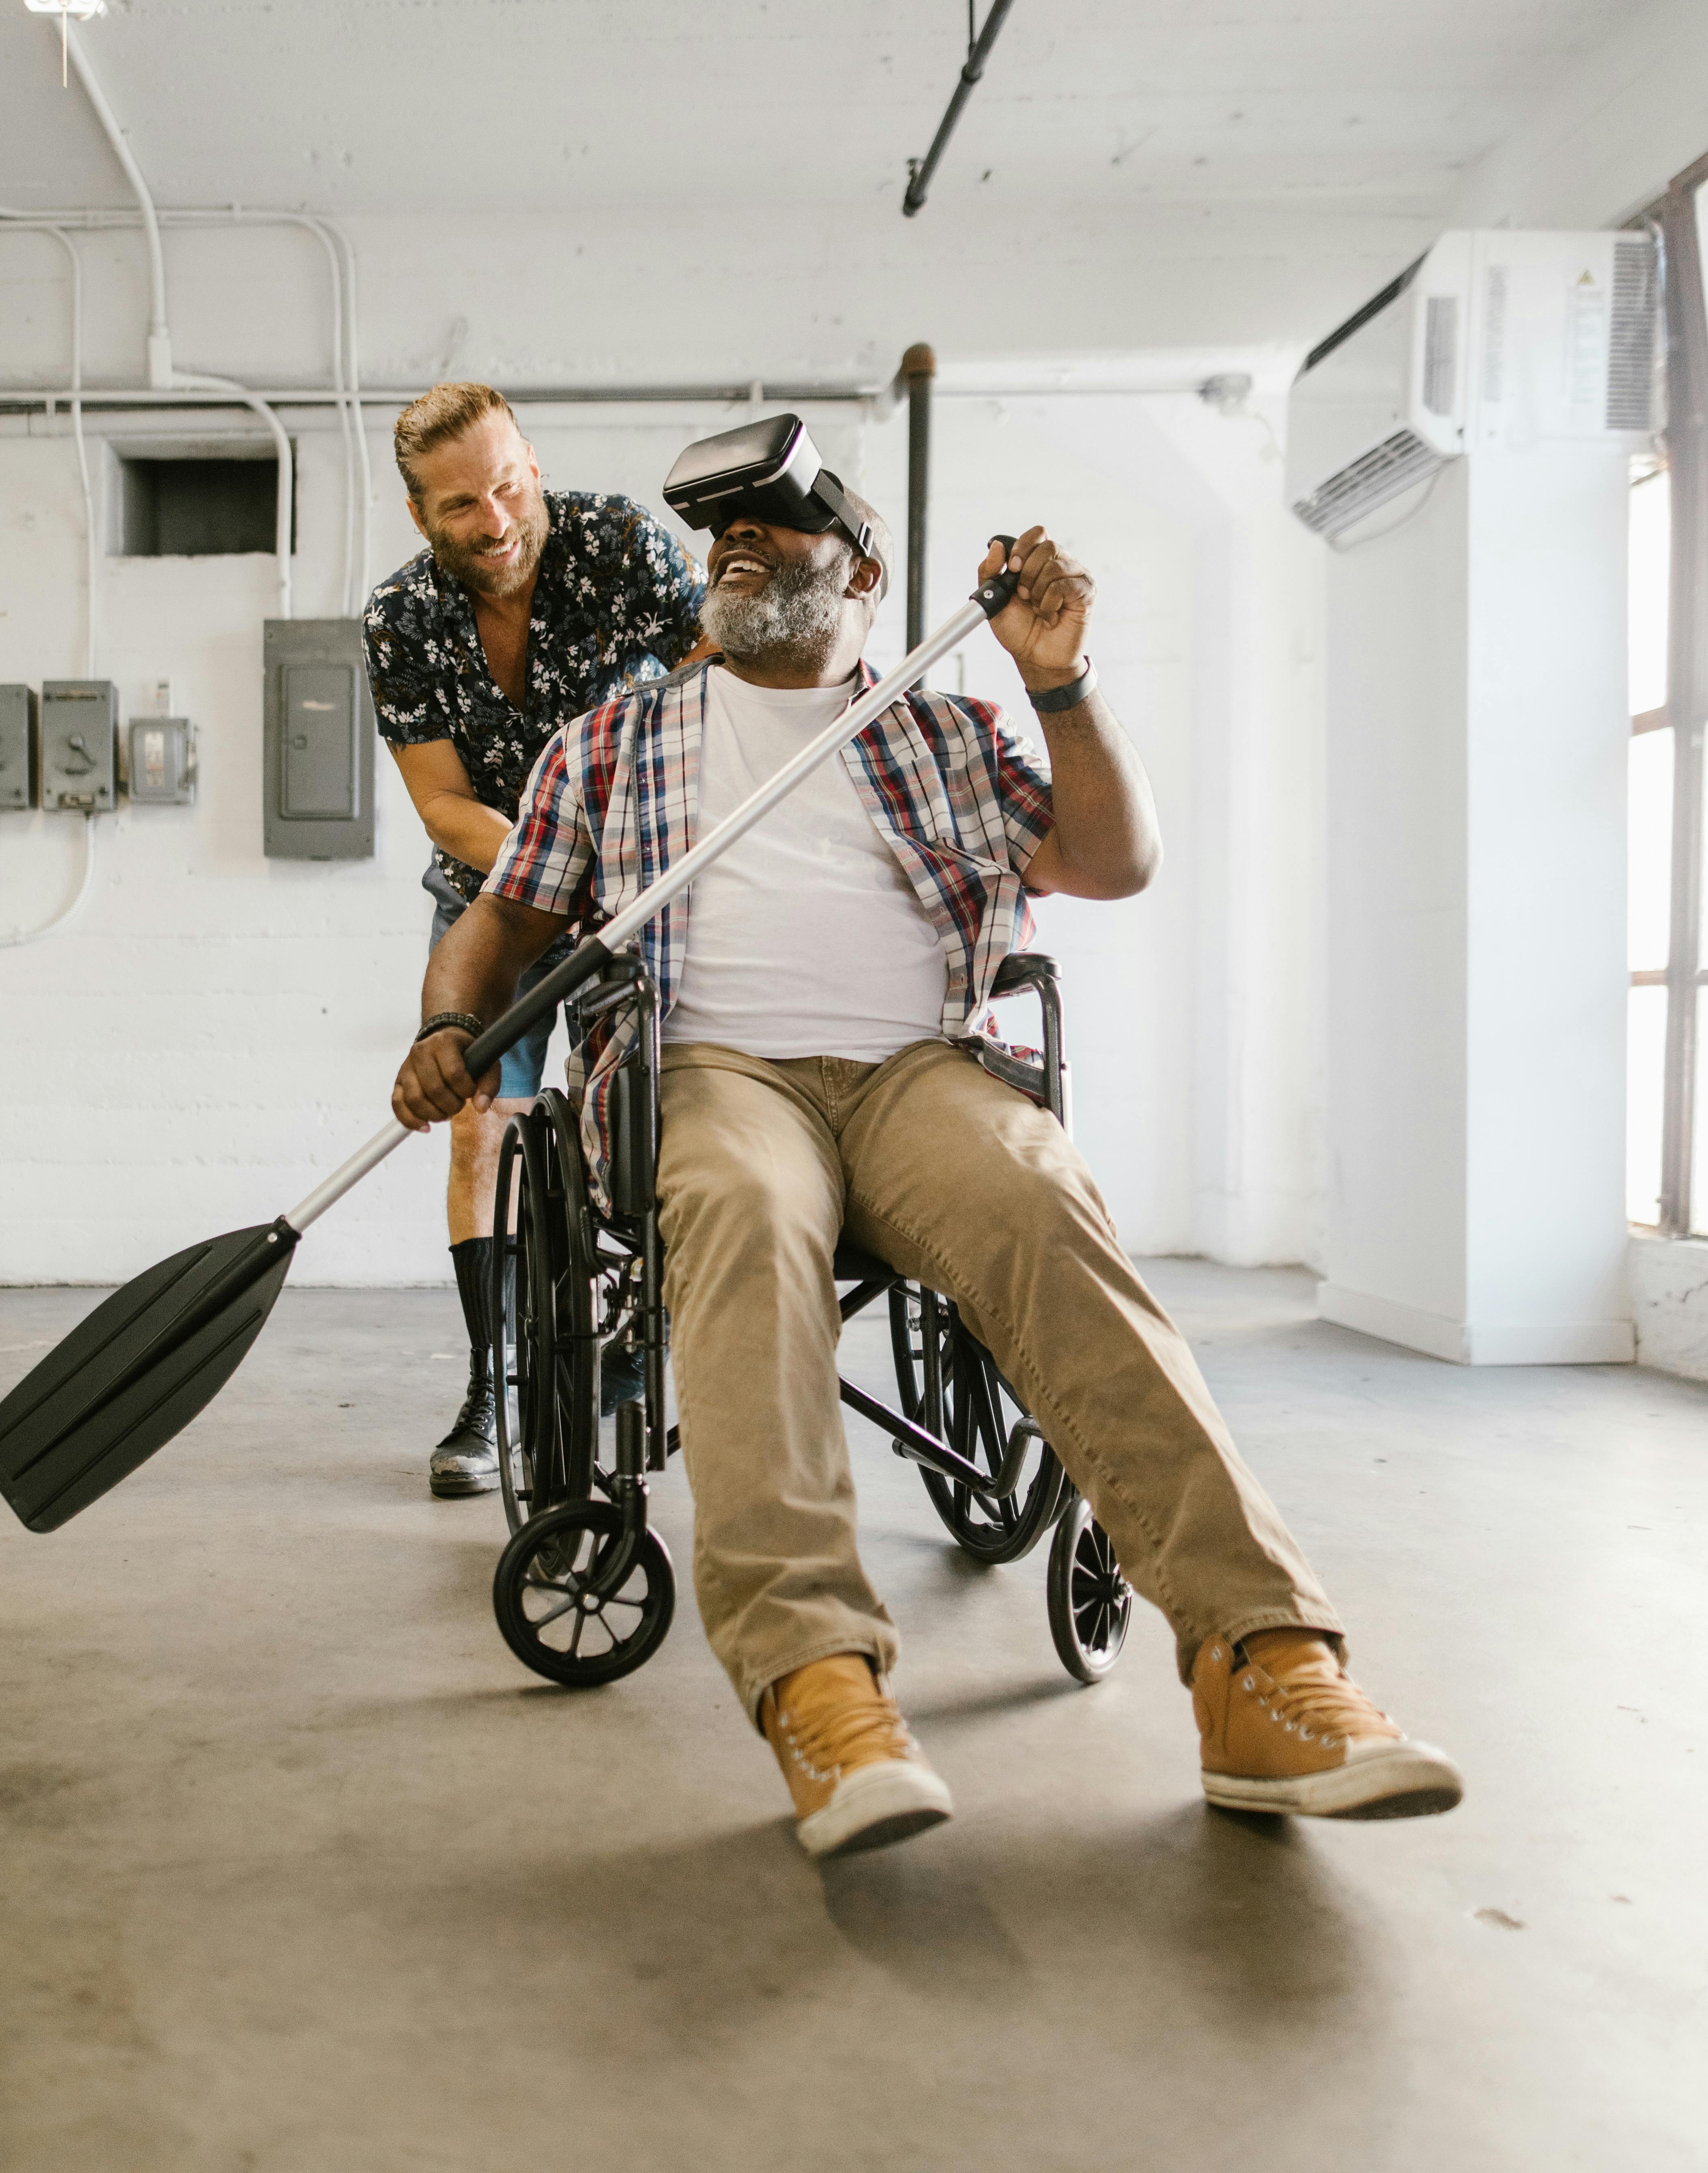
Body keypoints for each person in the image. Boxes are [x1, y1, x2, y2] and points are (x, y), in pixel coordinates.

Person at [389, 465, 1464, 1858]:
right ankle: (820, 1683)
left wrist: (1059, 684)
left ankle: (1263, 1666)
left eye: (778, 527)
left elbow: (1114, 861)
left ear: (864, 578)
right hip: (714, 1072)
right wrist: (450, 1020)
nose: (738, 544)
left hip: (915, 1071)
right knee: (743, 1208)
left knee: (1039, 1195)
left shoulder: (941, 727)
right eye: (723, 530)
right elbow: (505, 917)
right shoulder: (615, 739)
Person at [362, 381, 705, 1495]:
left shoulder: (621, 549)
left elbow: (722, 687)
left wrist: (618, 852)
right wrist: (542, 870)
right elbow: (441, 802)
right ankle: (493, 1384)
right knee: (480, 1132)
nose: (497, 519)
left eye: (508, 483)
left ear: (534, 464)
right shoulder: (399, 620)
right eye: (462, 504)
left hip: (631, 896)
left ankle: (639, 1343)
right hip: (493, 896)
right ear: (423, 517)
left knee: (653, 1125)